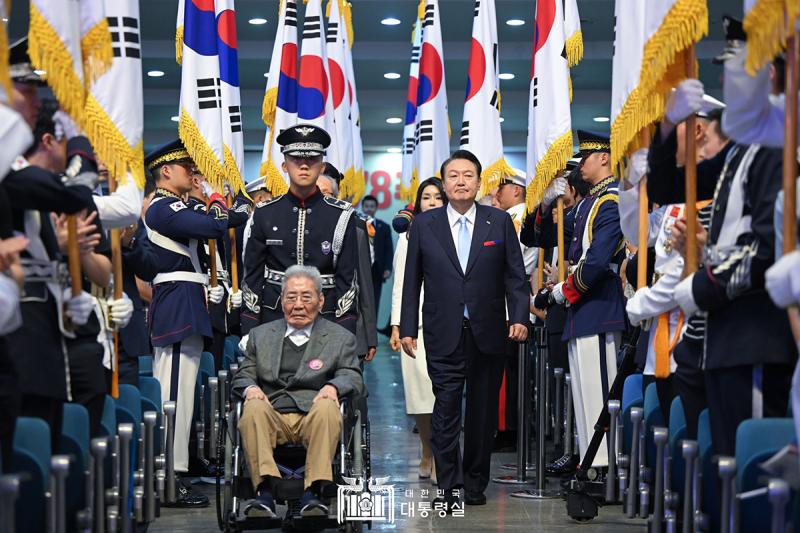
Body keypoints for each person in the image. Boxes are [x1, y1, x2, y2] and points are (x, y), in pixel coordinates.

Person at [400, 149, 528, 511]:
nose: (460, 181)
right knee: (445, 411)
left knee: (482, 413)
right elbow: (412, 281)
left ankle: (474, 482)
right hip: (443, 331)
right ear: (444, 183)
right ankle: (450, 483)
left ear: (478, 181)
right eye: (453, 175)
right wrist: (407, 327)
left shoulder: (498, 222)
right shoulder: (424, 225)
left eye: (468, 175)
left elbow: (515, 276)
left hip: (488, 332)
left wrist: (519, 316)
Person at [231, 265, 363, 518]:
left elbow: (352, 375)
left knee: (328, 406)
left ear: (321, 300)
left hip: (314, 413)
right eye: (291, 297)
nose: (298, 305)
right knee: (253, 406)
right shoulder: (260, 336)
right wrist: (250, 388)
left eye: (306, 297)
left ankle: (313, 493)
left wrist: (333, 386)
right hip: (272, 414)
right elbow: (244, 374)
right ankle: (265, 493)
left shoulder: (340, 338)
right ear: (282, 301)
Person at [144, 139, 229, 507]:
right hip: (177, 304)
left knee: (181, 394)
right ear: (166, 171)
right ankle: (168, 477)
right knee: (172, 395)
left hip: (186, 303)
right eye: (185, 167)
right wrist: (219, 204)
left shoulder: (175, 205)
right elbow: (214, 227)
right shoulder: (163, 207)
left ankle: (174, 471)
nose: (191, 172)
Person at [538, 131, 626, 470]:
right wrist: (546, 204)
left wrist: (564, 290)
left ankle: (604, 466)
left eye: (586, 158)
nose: (581, 165)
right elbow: (545, 236)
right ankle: (590, 462)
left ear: (603, 158)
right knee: (584, 393)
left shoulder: (612, 201)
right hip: (582, 309)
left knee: (600, 391)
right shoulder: (590, 202)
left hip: (600, 306)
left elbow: (597, 261)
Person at [241, 125, 359, 336]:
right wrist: (250, 329)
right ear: (284, 165)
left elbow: (347, 280)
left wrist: (346, 332)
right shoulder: (265, 213)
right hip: (273, 319)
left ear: (322, 166)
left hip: (326, 320)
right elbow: (253, 277)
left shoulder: (341, 215)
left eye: (312, 159)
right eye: (296, 158)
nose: (304, 165)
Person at [390, 177, 444, 482]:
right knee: (420, 397)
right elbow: (401, 283)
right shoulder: (408, 234)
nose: (433, 202)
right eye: (427, 197)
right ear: (418, 202)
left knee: (443, 395)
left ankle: (441, 455)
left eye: (438, 197)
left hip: (447, 323)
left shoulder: (454, 231)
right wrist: (397, 324)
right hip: (415, 326)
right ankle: (427, 449)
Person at [492, 168, 538, 450]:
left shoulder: (518, 219)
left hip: (511, 306)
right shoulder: (508, 217)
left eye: (502, 187)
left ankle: (509, 430)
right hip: (501, 304)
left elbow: (519, 263)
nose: (496, 193)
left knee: (510, 376)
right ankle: (502, 427)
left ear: (517, 190)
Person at [317, 164, 377, 362]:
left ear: (336, 195)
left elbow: (365, 284)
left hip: (349, 327)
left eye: (326, 192)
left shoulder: (356, 228)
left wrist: (370, 337)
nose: (322, 197)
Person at [360, 194, 393, 318]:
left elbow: (389, 249)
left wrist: (388, 268)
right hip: (360, 268)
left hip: (377, 270)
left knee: (375, 300)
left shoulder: (384, 227)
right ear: (362, 207)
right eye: (366, 206)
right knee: (360, 301)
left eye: (372, 206)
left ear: (376, 208)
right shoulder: (356, 224)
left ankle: (372, 332)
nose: (369, 209)